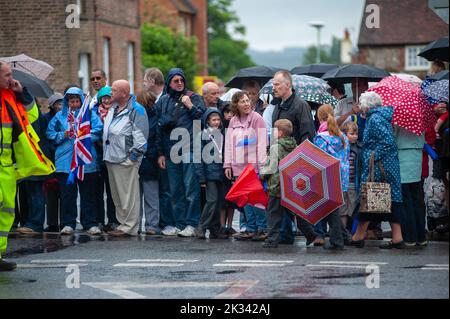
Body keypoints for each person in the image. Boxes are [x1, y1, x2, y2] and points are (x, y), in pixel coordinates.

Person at [1, 60, 53, 270]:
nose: (11, 79)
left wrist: (23, 94)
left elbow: (33, 117)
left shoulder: (12, 97)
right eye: (6, 75)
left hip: (6, 167)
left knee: (6, 213)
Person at [349, 92, 406, 249]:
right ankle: (397, 238)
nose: (360, 107)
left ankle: (358, 236)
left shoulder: (374, 119)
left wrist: (371, 156)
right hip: (388, 166)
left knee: (369, 198)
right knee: (390, 200)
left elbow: (387, 142)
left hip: (380, 167)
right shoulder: (380, 116)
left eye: (361, 104)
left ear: (367, 106)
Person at [271, 70, 321, 245]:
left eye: (277, 84)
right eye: (273, 84)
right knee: (283, 201)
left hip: (296, 162)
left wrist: (301, 162)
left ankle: (316, 234)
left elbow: (308, 135)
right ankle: (305, 234)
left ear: (288, 85)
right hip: (280, 161)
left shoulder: (301, 105)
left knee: (292, 201)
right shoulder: (277, 106)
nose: (274, 87)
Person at [46, 87, 103, 236]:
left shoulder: (89, 114)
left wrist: (84, 137)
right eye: (72, 101)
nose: (75, 104)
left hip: (85, 161)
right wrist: (63, 134)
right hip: (65, 162)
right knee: (67, 194)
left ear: (81, 101)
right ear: (67, 101)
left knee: (88, 194)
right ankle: (68, 223)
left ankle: (90, 223)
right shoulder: (59, 116)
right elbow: (49, 134)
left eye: (77, 100)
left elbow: (98, 129)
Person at [156, 68, 205, 237]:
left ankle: (192, 223)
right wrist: (160, 153)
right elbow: (159, 129)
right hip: (170, 152)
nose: (179, 83)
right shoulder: (163, 101)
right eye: (175, 80)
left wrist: (190, 106)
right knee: (175, 190)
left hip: (189, 149)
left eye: (181, 80)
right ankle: (180, 223)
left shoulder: (194, 97)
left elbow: (202, 120)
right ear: (169, 82)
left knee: (191, 189)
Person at [261, 119, 321, 248]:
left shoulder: (275, 147)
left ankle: (272, 239)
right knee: (296, 212)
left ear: (280, 133)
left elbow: (271, 167)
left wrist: (262, 175)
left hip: (276, 186)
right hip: (290, 185)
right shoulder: (294, 145)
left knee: (274, 214)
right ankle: (311, 235)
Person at [103, 80, 149, 237]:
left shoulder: (137, 110)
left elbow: (141, 139)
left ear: (123, 93)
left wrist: (132, 158)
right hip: (112, 157)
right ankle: (123, 224)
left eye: (114, 90)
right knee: (118, 196)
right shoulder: (113, 108)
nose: (110, 93)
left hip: (125, 159)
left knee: (128, 196)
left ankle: (130, 227)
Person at [224, 91, 268, 241]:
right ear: (236, 105)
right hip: (238, 166)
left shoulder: (257, 119)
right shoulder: (233, 121)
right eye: (242, 101)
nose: (246, 104)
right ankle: (250, 228)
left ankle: (262, 229)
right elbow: (228, 144)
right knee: (245, 200)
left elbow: (263, 144)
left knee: (256, 199)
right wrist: (227, 164)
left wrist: (262, 166)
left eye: (248, 100)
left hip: (253, 166)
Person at [313, 105, 349, 250]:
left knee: (329, 209)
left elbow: (317, 159)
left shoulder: (321, 138)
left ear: (319, 117)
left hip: (326, 177)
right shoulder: (342, 136)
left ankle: (337, 240)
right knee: (332, 207)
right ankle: (344, 236)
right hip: (341, 176)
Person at [195, 108, 229, 239]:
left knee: (219, 202)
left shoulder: (222, 134)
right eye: (213, 120)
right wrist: (201, 177)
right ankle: (201, 227)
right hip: (209, 174)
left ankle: (215, 229)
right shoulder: (202, 135)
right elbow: (198, 158)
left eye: (218, 119)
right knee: (212, 200)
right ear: (207, 121)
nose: (216, 122)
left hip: (221, 172)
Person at [394, 125, 426, 247]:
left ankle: (409, 237)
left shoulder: (399, 122)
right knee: (416, 199)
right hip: (416, 158)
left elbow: (394, 139)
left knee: (406, 201)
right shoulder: (420, 119)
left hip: (402, 159)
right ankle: (421, 236)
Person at [92, 86, 118, 231]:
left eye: (109, 97)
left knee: (112, 191)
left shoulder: (117, 112)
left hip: (113, 156)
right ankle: (99, 220)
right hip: (97, 156)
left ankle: (113, 220)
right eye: (104, 98)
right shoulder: (93, 114)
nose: (107, 100)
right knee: (97, 191)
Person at [137, 91, 161, 235]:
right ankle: (143, 225)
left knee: (150, 196)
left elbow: (157, 138)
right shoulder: (143, 116)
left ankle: (151, 225)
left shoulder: (152, 117)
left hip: (149, 160)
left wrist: (149, 153)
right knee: (141, 198)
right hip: (144, 159)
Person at [43, 93, 64, 232]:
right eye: (58, 103)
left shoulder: (66, 117)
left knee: (64, 192)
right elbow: (46, 137)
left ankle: (64, 221)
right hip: (50, 158)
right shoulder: (46, 119)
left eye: (62, 103)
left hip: (63, 159)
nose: (60, 106)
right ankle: (52, 223)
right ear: (52, 105)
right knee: (51, 193)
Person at [340, 121, 362, 234]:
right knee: (342, 209)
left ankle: (351, 231)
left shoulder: (358, 148)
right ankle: (343, 232)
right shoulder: (340, 147)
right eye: (352, 134)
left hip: (353, 183)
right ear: (344, 134)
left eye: (356, 134)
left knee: (353, 208)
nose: (355, 136)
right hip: (342, 183)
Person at [219, 102, 237, 235]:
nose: (229, 115)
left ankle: (229, 225)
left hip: (235, 165)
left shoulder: (236, 128)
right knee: (222, 199)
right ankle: (221, 225)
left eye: (232, 113)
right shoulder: (219, 129)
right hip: (221, 166)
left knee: (232, 200)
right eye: (227, 112)